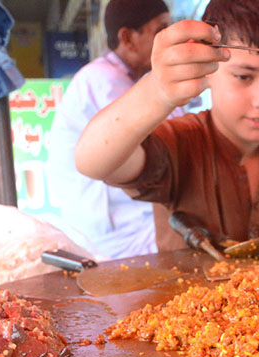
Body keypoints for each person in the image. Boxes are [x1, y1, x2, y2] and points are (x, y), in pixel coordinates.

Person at [74, 0, 259, 252]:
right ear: (207, 68)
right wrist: (157, 91)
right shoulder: (180, 142)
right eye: (244, 77)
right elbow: (93, 161)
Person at [47, 0, 174, 259]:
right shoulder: (102, 80)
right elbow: (167, 137)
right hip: (113, 227)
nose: (170, 42)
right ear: (127, 39)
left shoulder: (129, 80)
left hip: (123, 218)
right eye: (161, 31)